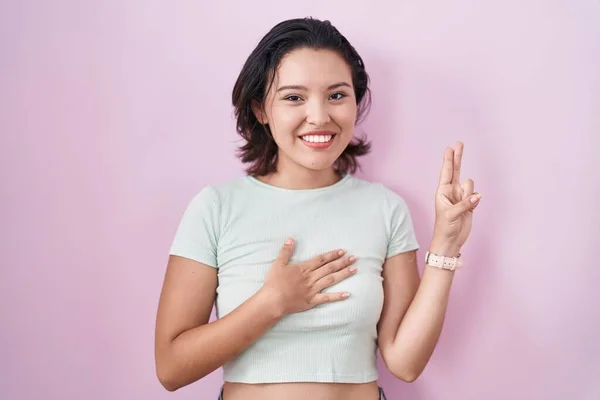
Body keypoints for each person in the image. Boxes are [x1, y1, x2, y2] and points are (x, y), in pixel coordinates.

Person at [154, 17, 481, 400]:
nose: (320, 116)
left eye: (337, 95)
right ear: (260, 108)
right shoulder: (215, 208)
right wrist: (272, 303)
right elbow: (171, 368)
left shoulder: (385, 209)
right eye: (294, 97)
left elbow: (405, 362)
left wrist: (445, 247)